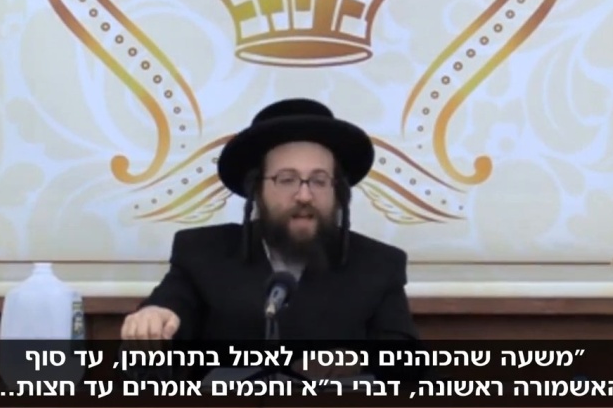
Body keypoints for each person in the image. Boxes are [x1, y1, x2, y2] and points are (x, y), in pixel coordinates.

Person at [121, 98, 419, 343]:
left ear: (337, 191)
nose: (304, 195)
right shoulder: (202, 253)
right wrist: (153, 319)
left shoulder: (379, 265)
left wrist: (355, 361)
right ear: (257, 190)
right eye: (287, 179)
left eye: (319, 181)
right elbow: (170, 308)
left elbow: (406, 366)